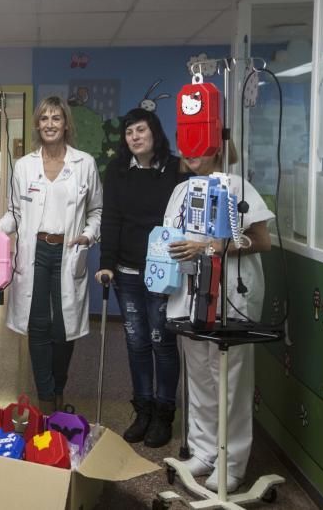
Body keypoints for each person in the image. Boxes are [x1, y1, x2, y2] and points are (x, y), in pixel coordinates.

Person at [0, 96, 102, 415]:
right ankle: (47, 400)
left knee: (63, 328)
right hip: (35, 253)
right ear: (37, 125)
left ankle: (58, 389)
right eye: (44, 118)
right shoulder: (24, 166)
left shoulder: (84, 164)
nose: (49, 124)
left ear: (65, 124)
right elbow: (15, 214)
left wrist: (88, 236)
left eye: (56, 118)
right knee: (38, 325)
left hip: (68, 250)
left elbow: (97, 211)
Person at [163, 143, 273, 492]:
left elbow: (262, 240)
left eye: (200, 145)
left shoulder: (237, 186)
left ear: (217, 147)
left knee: (230, 380)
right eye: (186, 145)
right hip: (190, 296)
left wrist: (209, 246)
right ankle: (204, 450)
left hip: (231, 297)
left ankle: (232, 462)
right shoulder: (181, 190)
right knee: (198, 378)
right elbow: (171, 238)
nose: (191, 153)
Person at [94, 108, 184, 448]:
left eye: (140, 129)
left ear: (154, 132)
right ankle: (142, 410)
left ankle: (164, 413)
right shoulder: (117, 172)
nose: (134, 136)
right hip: (128, 272)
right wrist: (106, 263)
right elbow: (111, 219)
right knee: (136, 343)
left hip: (164, 273)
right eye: (129, 131)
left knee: (162, 342)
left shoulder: (176, 168)